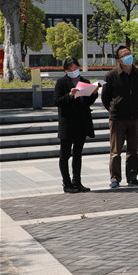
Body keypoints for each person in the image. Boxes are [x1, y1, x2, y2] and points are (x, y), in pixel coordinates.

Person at [102, 45, 138, 188]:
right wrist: (114, 109)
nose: (128, 56)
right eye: (124, 55)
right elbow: (105, 98)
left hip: (135, 117)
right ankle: (115, 178)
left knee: (133, 150)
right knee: (115, 151)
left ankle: (132, 177)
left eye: (129, 53)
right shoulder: (111, 75)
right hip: (117, 118)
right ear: (118, 60)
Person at [54, 57, 98, 193]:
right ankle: (67, 183)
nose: (73, 70)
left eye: (75, 68)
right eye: (70, 69)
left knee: (78, 154)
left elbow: (87, 102)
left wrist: (94, 94)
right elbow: (57, 101)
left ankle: (77, 182)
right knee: (65, 155)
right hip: (67, 123)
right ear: (65, 70)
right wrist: (70, 95)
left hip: (81, 123)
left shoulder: (85, 82)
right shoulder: (61, 82)